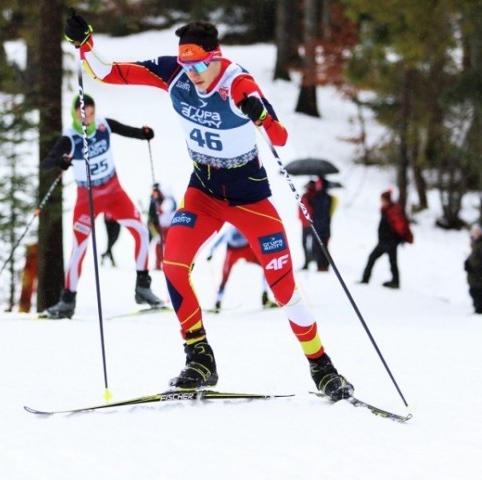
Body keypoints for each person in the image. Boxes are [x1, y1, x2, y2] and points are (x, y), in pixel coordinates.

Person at [64, 13, 353, 400]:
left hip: (249, 197)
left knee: (282, 284)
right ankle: (199, 358)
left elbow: (280, 138)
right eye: (187, 64)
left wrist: (262, 116)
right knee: (173, 263)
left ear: (216, 57)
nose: (194, 72)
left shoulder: (238, 83)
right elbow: (106, 73)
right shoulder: (176, 74)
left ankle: (322, 367)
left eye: (200, 64)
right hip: (203, 192)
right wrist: (84, 43)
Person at [40, 94, 164, 319]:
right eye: (82, 114)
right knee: (79, 248)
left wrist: (143, 133)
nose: (87, 118)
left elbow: (128, 130)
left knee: (142, 232)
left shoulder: (104, 126)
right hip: (87, 198)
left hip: (114, 192)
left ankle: (143, 288)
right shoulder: (71, 137)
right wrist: (61, 161)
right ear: (75, 114)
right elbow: (47, 163)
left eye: (91, 112)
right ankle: (67, 301)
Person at [206, 224, 278, 311]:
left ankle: (265, 296)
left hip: (246, 249)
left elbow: (258, 235)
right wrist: (211, 253)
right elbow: (218, 241)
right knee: (225, 276)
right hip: (232, 252)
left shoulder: (245, 225)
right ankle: (218, 302)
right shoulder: (230, 230)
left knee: (266, 266)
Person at [360, 189, 414, 289]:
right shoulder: (387, 210)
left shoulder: (392, 211)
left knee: (387, 261)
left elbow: (400, 225)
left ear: (386, 200)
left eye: (382, 200)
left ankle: (393, 282)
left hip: (389, 242)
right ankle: (367, 279)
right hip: (384, 241)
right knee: (384, 260)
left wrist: (401, 237)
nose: (381, 202)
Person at [148, 183, 177, 270]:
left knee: (166, 246)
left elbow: (162, 210)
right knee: (160, 244)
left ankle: (166, 264)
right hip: (160, 226)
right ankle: (158, 264)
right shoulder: (161, 199)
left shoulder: (170, 201)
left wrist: (158, 207)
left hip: (167, 227)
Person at [309, 176, 333, 272]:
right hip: (324, 225)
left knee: (320, 247)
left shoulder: (320, 197)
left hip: (320, 226)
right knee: (323, 247)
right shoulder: (327, 197)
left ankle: (322, 265)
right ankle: (324, 265)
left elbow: (319, 210)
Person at [464, 224, 482, 314]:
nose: (474, 233)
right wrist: (468, 263)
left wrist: (472, 266)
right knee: (474, 292)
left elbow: (478, 260)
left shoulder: (480, 244)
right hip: (474, 277)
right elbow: (473, 257)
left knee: (477, 292)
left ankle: (479, 311)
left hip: (478, 276)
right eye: (473, 232)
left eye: (476, 232)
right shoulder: (475, 243)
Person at [299, 180, 316, 270]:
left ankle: (309, 260)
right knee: (307, 243)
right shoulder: (308, 196)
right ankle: (308, 260)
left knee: (307, 244)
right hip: (307, 223)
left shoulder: (310, 196)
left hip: (309, 224)